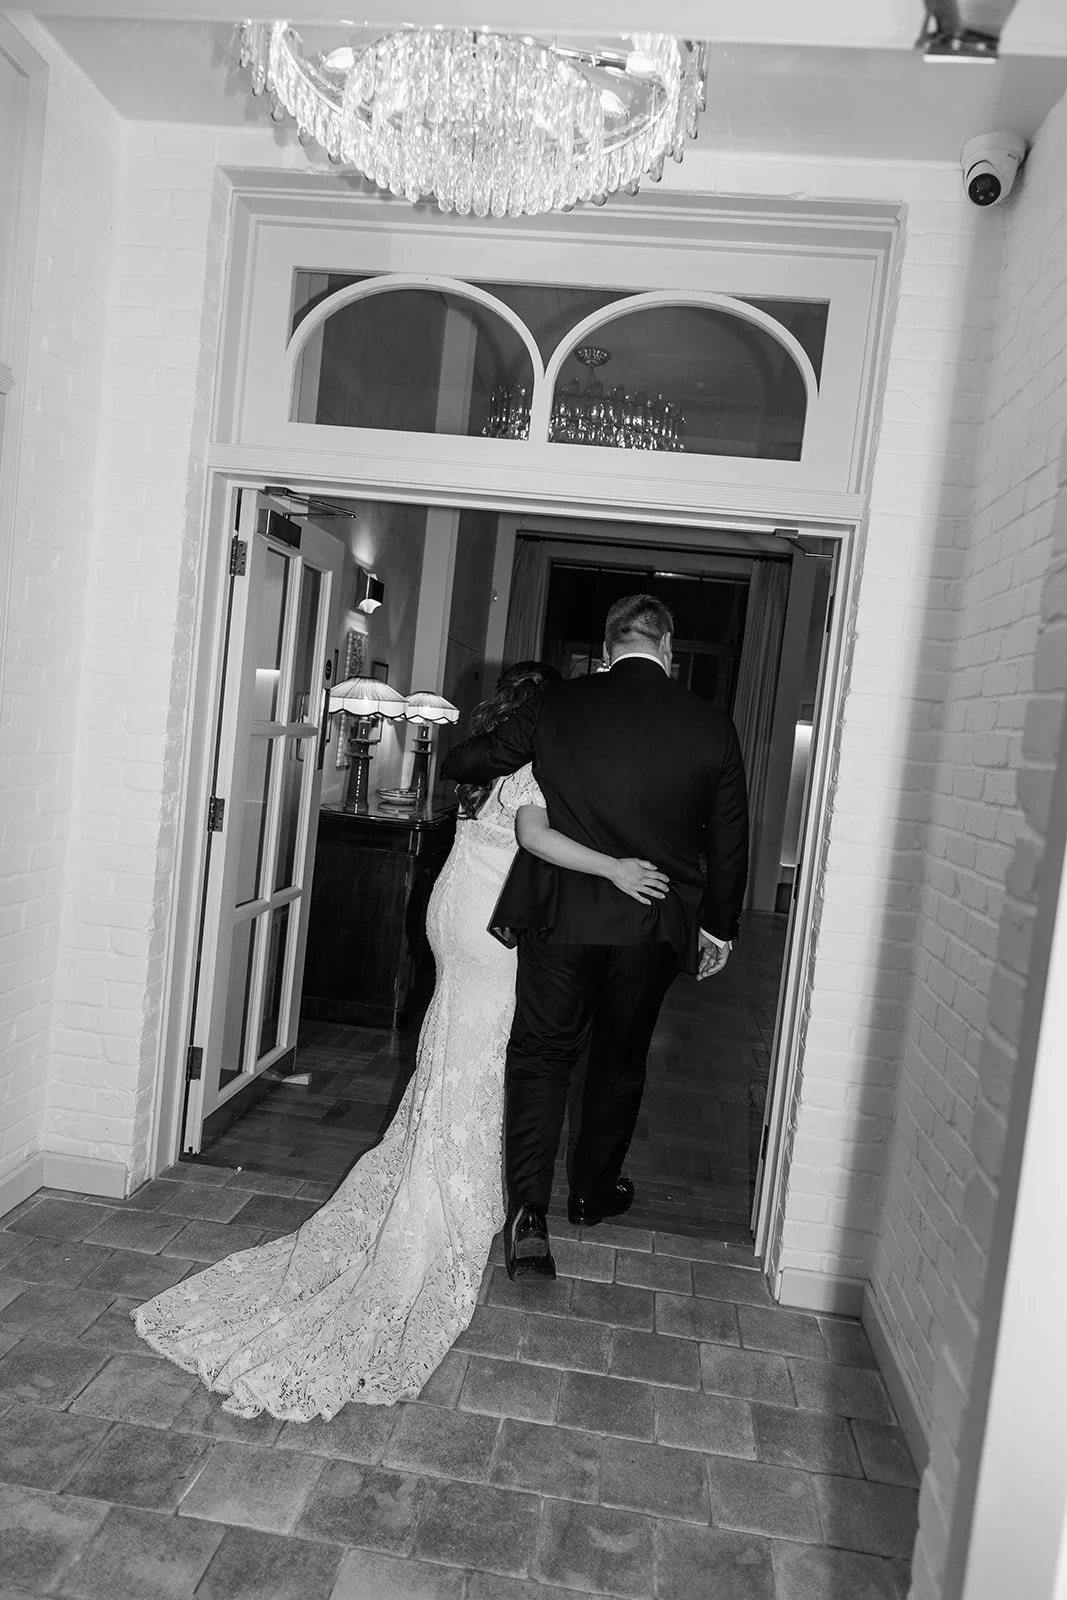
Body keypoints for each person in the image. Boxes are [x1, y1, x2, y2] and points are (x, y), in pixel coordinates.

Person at [133, 660, 668, 1420]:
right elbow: (536, 834)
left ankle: (458, 1171)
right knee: (483, 1054)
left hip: (460, 908)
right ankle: (455, 1193)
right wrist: (615, 867)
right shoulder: (539, 766)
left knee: (460, 1049)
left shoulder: (492, 758)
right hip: (490, 928)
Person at [442, 594, 749, 1281]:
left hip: (564, 916)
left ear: (607, 647)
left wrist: (512, 758)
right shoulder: (710, 726)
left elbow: (468, 761)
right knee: (619, 1059)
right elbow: (729, 839)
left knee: (542, 1055)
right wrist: (718, 928)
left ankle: (528, 1213)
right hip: (652, 919)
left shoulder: (557, 705)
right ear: (666, 647)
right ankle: (589, 1193)